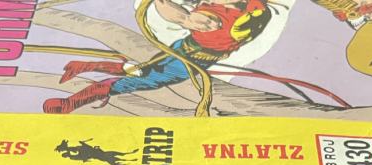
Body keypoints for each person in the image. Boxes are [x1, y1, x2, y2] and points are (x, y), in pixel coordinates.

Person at [43, 0, 272, 114]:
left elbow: (185, 18)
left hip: (191, 54)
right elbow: (184, 18)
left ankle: (83, 66)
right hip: (189, 57)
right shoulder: (220, 12)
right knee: (139, 80)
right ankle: (70, 103)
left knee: (143, 71)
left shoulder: (230, 14)